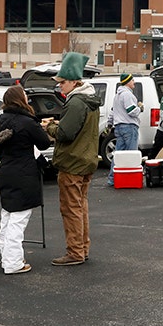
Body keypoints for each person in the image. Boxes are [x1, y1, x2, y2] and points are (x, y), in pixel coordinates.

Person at [42, 53, 100, 266]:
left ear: (75, 82)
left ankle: (75, 252)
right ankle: (82, 249)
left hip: (73, 162)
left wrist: (48, 126)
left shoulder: (76, 102)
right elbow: (76, 128)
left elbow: (66, 134)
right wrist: (57, 123)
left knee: (71, 208)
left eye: (63, 82)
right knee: (80, 206)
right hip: (86, 160)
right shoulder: (88, 99)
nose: (60, 87)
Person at [0, 86, 51, 275]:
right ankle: (13, 263)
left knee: (7, 216)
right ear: (20, 100)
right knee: (18, 220)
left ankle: (7, 256)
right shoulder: (27, 121)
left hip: (7, 171)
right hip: (25, 173)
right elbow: (44, 143)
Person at [106, 73, 141, 187]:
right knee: (131, 155)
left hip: (119, 127)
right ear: (127, 82)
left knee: (118, 155)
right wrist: (140, 108)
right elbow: (131, 111)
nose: (134, 82)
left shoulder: (117, 96)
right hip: (129, 127)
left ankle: (112, 178)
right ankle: (130, 180)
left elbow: (112, 112)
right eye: (132, 80)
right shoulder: (127, 95)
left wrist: (109, 124)